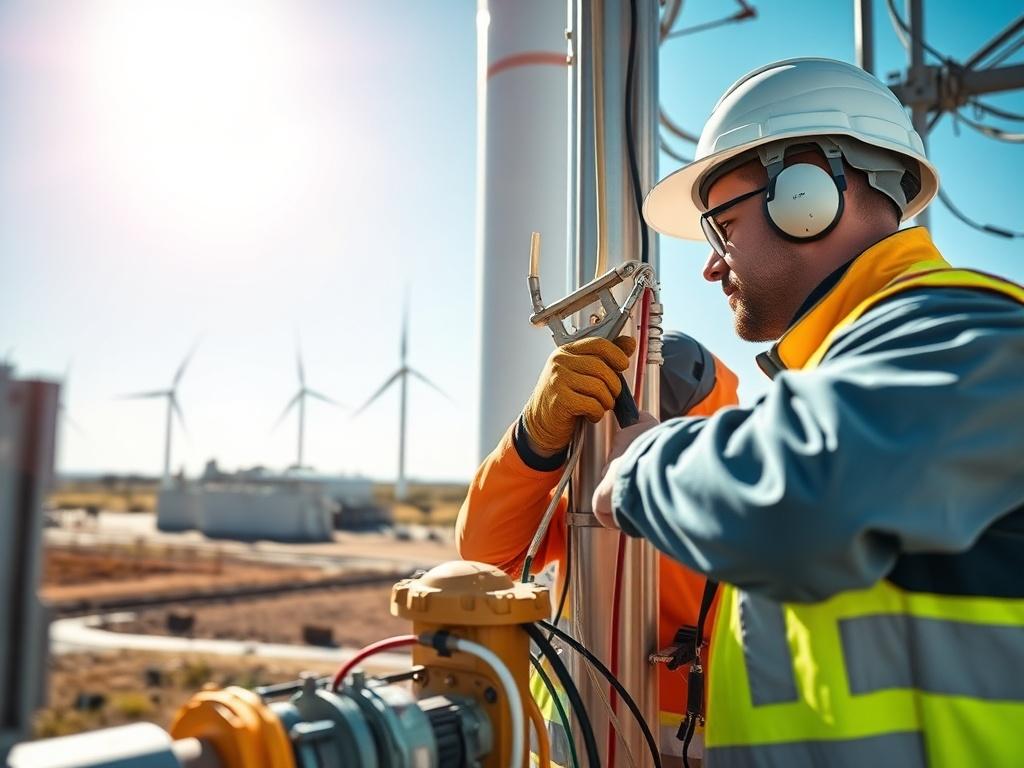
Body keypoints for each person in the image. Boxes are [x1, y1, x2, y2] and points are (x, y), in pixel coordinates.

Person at [592, 57, 1024, 766]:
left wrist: (645, 459)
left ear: (808, 192)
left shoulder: (965, 329)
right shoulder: (863, 371)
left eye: (720, 226)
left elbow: (800, 499)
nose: (710, 264)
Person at [457, 330, 739, 766]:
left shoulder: (751, 503)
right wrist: (534, 442)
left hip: (695, 751)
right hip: (566, 738)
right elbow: (485, 556)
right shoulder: (587, 494)